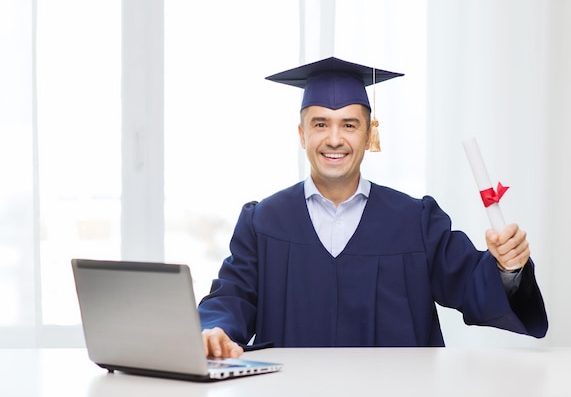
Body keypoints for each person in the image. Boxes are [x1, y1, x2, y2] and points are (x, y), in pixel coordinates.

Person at [198, 57, 548, 359]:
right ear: (302, 134)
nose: (334, 139)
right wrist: (215, 330)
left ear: (368, 136)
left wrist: (507, 266)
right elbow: (232, 296)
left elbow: (472, 282)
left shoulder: (415, 221)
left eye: (349, 125)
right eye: (320, 124)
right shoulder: (263, 222)